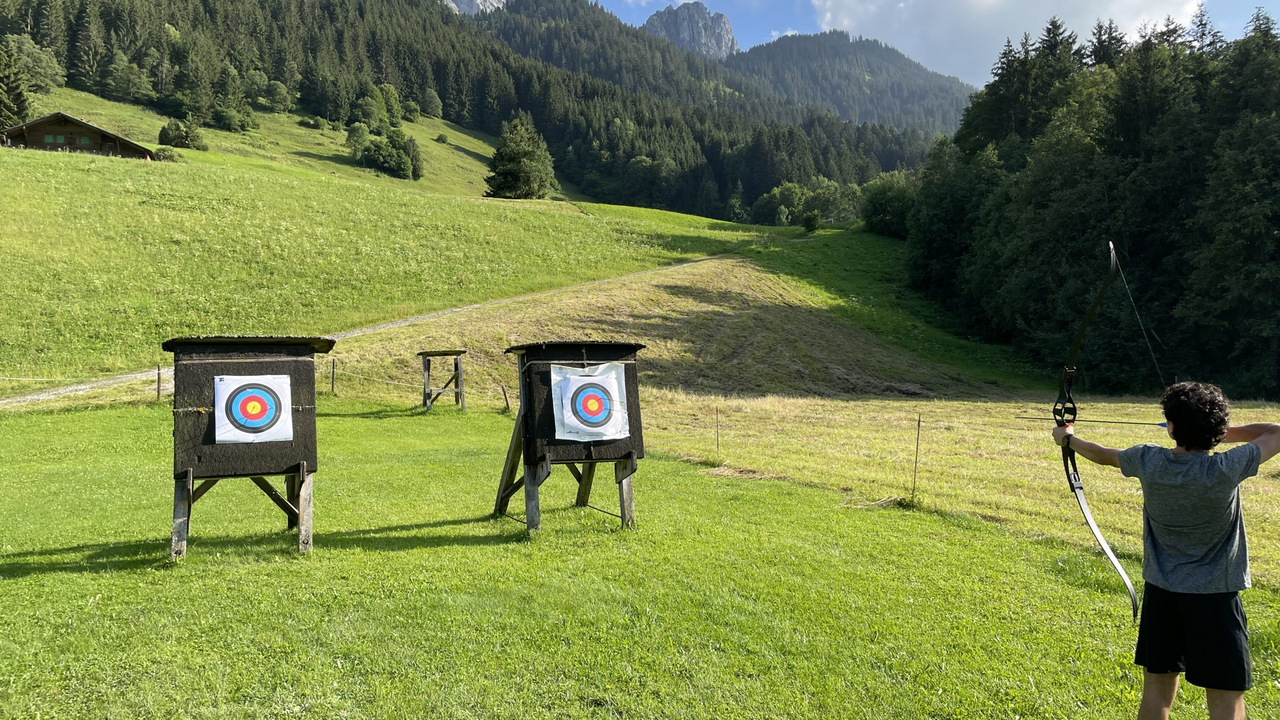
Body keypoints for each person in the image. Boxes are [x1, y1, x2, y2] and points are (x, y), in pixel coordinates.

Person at [1052, 381, 1280, 720]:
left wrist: (1066, 436)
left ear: (1171, 427)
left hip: (1163, 594)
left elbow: (1100, 454)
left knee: (1156, 691)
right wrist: (1215, 432)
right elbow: (1275, 431)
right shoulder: (1227, 468)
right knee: (1226, 699)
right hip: (1215, 599)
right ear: (1216, 430)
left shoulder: (1148, 460)